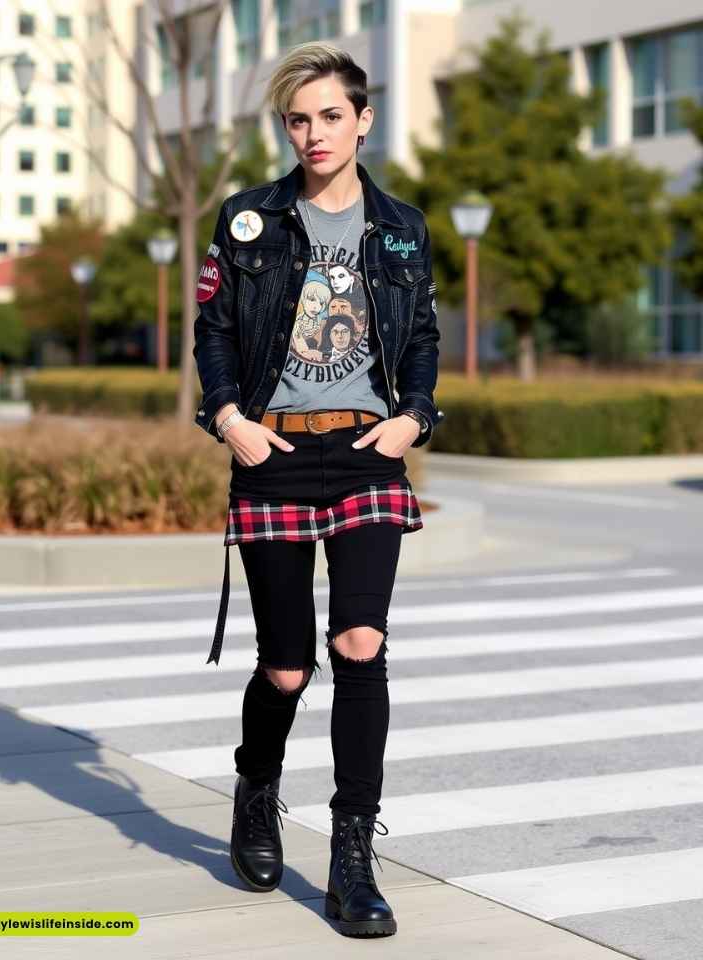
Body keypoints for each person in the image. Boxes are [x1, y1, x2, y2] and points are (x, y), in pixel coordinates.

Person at [193, 40, 443, 938]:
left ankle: (351, 859)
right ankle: (257, 789)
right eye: (298, 119)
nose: (313, 133)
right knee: (288, 665)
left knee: (362, 643)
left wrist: (415, 415)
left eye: (330, 115)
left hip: (368, 451)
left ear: (363, 119)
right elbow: (213, 331)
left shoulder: (402, 226)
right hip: (273, 454)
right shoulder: (249, 220)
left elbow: (421, 336)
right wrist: (229, 419)